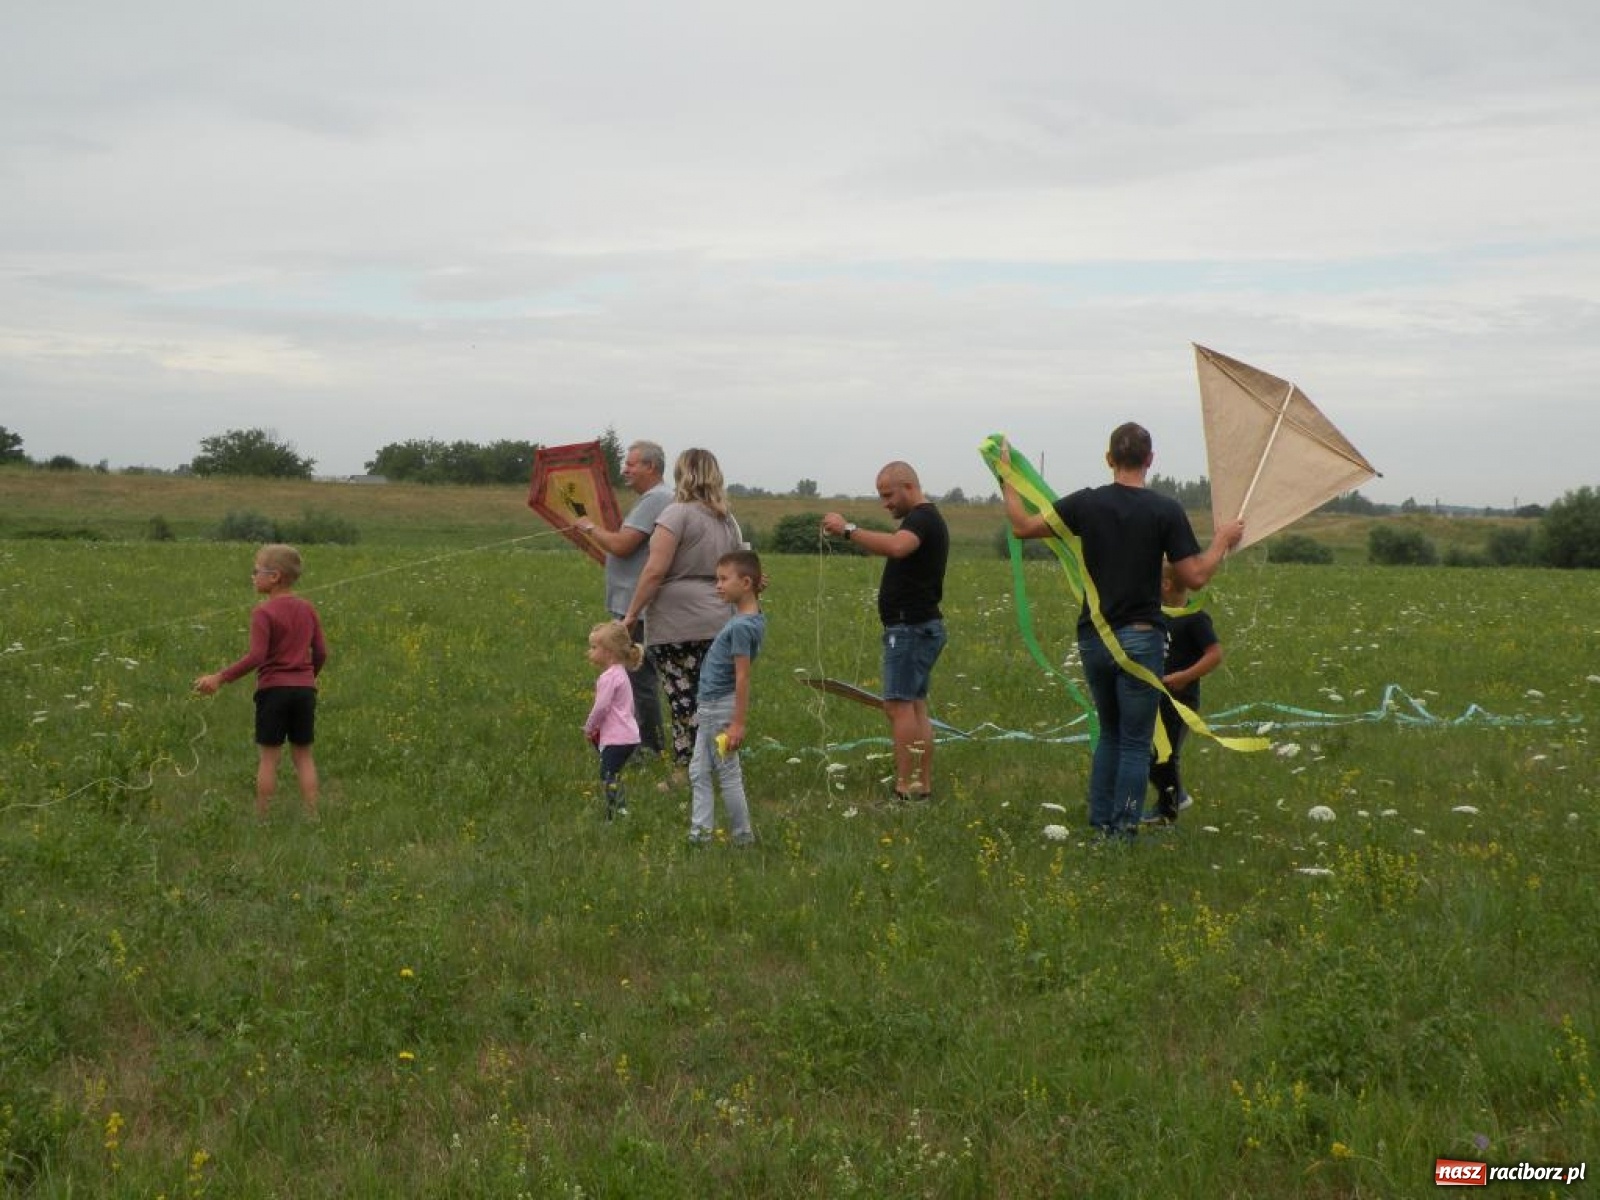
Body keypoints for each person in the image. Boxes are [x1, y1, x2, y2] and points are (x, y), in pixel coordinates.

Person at [1000, 424, 1242, 840]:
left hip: (1094, 639)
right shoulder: (1165, 510)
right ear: (1150, 460)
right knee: (1134, 742)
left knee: (1110, 734)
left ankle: (1101, 824)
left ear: (1109, 458)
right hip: (1141, 638)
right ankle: (1122, 829)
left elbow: (1022, 526)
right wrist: (1221, 541)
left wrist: (1006, 473)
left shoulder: (1085, 505)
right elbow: (1196, 577)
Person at [821, 462, 949, 800]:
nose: (885, 503)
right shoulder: (925, 518)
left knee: (898, 706)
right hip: (919, 627)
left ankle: (905, 788)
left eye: (888, 495)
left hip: (909, 628)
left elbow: (896, 547)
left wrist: (847, 530)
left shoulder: (921, 519)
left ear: (908, 486)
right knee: (915, 706)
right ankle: (921, 786)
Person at [620, 448, 743, 786]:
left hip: (678, 624)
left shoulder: (676, 515)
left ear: (680, 475)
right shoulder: (726, 519)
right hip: (721, 618)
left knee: (683, 700)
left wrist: (631, 615)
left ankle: (686, 772)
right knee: (715, 699)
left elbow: (654, 570)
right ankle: (723, 767)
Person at [194, 543, 328, 818]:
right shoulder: (308, 608)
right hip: (305, 692)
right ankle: (313, 816)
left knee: (269, 758)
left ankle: (262, 816)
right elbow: (322, 652)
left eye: (256, 571)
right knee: (303, 756)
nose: (253, 576)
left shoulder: (263, 613)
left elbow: (257, 656)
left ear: (275, 576)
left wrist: (219, 678)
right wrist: (306, 679)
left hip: (273, 692)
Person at [573, 439, 671, 755]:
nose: (624, 470)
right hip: (630, 603)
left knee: (638, 678)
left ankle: (649, 747)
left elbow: (622, 545)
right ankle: (638, 742)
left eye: (631, 464)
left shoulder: (656, 499)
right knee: (633, 678)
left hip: (635, 607)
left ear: (651, 467)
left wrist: (589, 528)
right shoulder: (652, 499)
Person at [687, 550, 766, 845]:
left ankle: (741, 837)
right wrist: (755, 587)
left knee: (727, 773)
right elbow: (749, 598)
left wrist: (738, 723)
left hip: (718, 708)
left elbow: (742, 676)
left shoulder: (742, 627)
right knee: (698, 772)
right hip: (712, 706)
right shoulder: (751, 616)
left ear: (745, 582)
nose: (717, 585)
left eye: (723, 579)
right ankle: (701, 834)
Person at [1146, 563, 1223, 825]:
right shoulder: (1155, 615)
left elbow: (1214, 655)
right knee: (1152, 755)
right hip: (1155, 698)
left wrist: (1185, 676)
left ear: (1165, 586)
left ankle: (1170, 807)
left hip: (1181, 701)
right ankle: (1172, 798)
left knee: (1164, 755)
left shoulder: (1195, 617)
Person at [583, 620, 644, 821]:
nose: (589, 652)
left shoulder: (608, 677)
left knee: (608, 774)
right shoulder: (622, 674)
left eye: (593, 648)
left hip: (616, 737)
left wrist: (590, 726)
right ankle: (619, 809)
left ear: (608, 652)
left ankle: (616, 813)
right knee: (613, 772)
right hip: (629, 735)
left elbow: (601, 706)